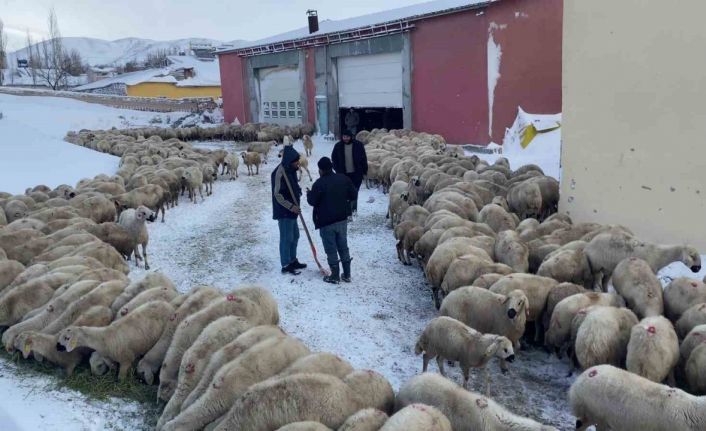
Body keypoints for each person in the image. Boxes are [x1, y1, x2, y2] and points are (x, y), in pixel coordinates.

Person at [307, 157, 357, 284]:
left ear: (320, 170)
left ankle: (334, 275)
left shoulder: (319, 184)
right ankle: (347, 274)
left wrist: (309, 193)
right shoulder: (343, 179)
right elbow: (353, 194)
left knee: (330, 248)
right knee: (343, 245)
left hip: (326, 221)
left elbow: (312, 201)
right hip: (342, 219)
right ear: (332, 167)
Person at [271, 145, 307, 275]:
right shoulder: (279, 173)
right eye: (296, 161)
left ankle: (292, 260)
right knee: (286, 238)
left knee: (295, 236)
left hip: (293, 210)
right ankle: (286, 264)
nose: (298, 163)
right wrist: (291, 206)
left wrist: (298, 192)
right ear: (290, 160)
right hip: (284, 210)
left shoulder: (291, 170)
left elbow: (293, 186)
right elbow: (277, 194)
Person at [331, 129, 367, 215]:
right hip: (343, 173)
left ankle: (354, 209)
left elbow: (363, 158)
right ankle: (347, 210)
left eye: (347, 137)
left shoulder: (358, 145)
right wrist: (337, 170)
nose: (345, 138)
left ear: (351, 137)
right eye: (344, 137)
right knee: (345, 192)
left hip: (356, 173)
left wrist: (364, 170)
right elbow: (334, 158)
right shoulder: (338, 146)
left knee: (354, 191)